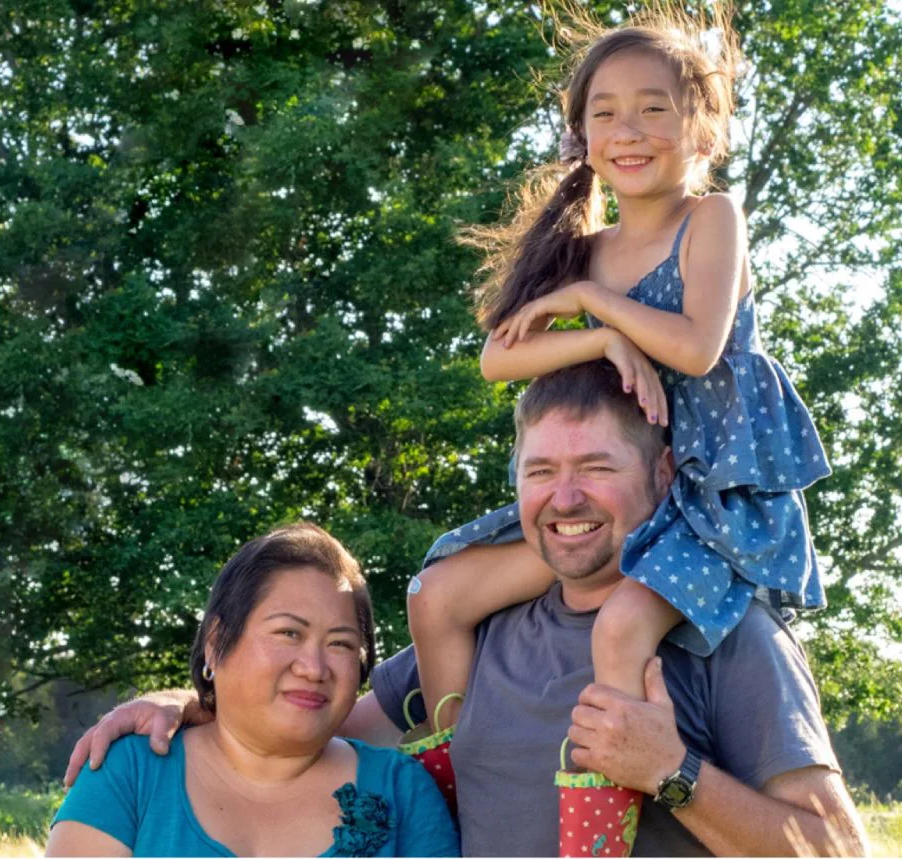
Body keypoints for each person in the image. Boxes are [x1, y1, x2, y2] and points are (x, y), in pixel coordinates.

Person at [63, 363, 867, 857]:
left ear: (661, 479)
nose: (566, 496)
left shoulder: (725, 636)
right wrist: (187, 700)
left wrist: (672, 771)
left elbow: (834, 847)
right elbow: (314, 711)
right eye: (540, 470)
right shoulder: (488, 633)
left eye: (596, 466)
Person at [407, 2, 831, 777]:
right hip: (615, 496)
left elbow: (696, 350)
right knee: (434, 596)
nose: (627, 130)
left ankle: (600, 814)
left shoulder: (711, 219)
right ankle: (457, 783)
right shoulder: (580, 248)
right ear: (583, 138)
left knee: (616, 631)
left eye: (650, 110)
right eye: (604, 113)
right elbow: (497, 360)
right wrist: (600, 338)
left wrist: (598, 307)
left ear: (702, 130)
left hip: (704, 497)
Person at [47, 523, 458, 857]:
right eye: (288, 633)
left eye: (340, 644)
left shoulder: (403, 791)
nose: (314, 668)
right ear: (215, 641)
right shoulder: (131, 771)